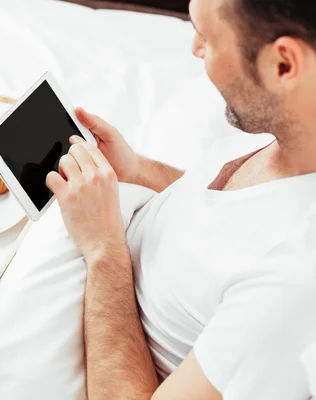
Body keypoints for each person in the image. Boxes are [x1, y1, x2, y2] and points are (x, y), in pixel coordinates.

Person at [45, 0, 316, 398]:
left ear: (284, 65)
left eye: (206, 36)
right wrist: (136, 170)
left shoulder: (293, 282)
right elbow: (232, 212)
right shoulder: (292, 124)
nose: (194, 48)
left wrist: (103, 249)